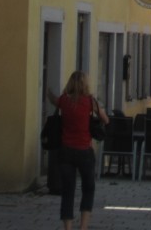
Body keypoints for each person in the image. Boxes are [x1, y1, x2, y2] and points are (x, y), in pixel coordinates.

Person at [47, 71, 108, 230]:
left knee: (68, 191)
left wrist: (48, 90)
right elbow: (105, 119)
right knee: (88, 188)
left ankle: (68, 227)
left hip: (66, 151)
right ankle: (83, 227)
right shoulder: (90, 102)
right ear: (84, 84)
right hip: (85, 151)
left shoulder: (63, 101)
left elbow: (53, 99)